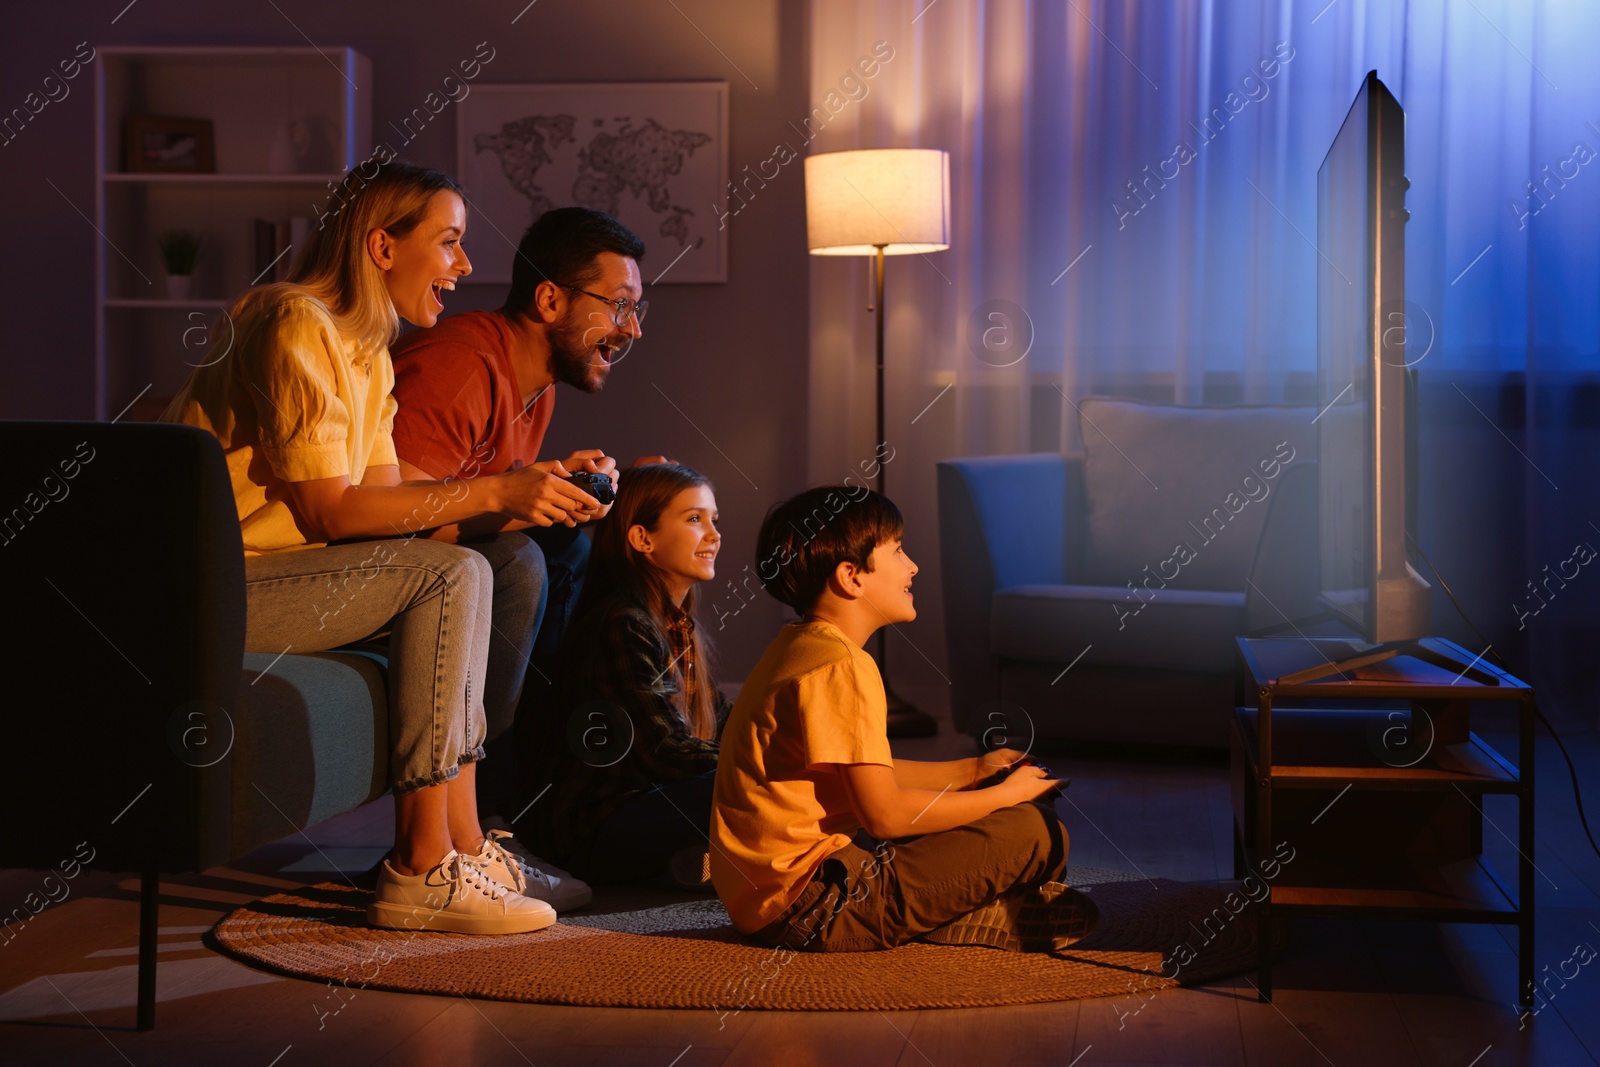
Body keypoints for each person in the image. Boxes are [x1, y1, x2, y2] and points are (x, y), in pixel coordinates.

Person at [161, 157, 592, 932]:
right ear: (382, 247)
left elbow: (392, 505)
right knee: (448, 575)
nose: (464, 266)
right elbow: (331, 511)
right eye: (450, 242)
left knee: (469, 566)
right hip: (215, 593)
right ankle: (421, 867)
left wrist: (529, 484)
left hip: (283, 576)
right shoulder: (292, 320)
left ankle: (462, 842)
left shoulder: (366, 349)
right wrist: (498, 490)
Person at [709, 486, 1100, 952]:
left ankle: (959, 907)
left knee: (1016, 804)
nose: (912, 565)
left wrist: (977, 772)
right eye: (897, 551)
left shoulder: (797, 649)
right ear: (851, 577)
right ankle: (957, 912)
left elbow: (867, 776)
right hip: (817, 906)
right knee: (1037, 831)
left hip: (776, 898)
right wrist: (1004, 795)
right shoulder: (842, 667)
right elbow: (886, 816)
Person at [386, 207, 658, 823]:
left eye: (637, 309)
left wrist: (558, 491)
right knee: (522, 560)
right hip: (379, 572)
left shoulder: (537, 382)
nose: (632, 329)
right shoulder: (462, 365)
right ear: (550, 300)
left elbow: (484, 499)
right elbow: (392, 515)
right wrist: (518, 502)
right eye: (618, 305)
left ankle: (557, 798)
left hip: (444, 562)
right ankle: (494, 819)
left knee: (574, 547)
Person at [518, 464, 730, 887]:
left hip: (649, 810)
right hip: (600, 830)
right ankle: (703, 864)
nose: (713, 534)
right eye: (694, 519)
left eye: (713, 520)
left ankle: (699, 866)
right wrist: (774, 767)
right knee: (751, 787)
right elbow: (665, 752)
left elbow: (725, 725)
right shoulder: (622, 622)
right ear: (642, 538)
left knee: (777, 781)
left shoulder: (679, 628)